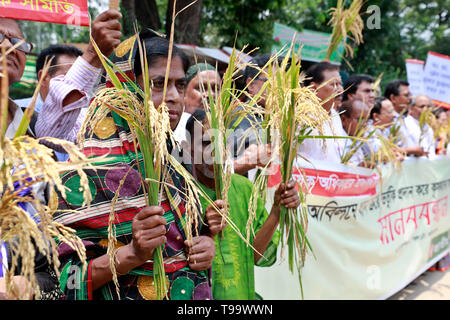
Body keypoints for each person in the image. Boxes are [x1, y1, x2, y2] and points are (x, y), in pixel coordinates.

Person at [54, 34, 217, 300]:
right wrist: (132, 254)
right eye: (158, 84)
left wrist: (206, 244)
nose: (174, 97)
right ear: (127, 88)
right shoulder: (85, 174)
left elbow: (190, 239)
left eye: (180, 84)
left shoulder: (176, 161)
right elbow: (61, 279)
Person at [186, 109, 301, 300]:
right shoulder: (180, 192)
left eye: (221, 142)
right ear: (187, 149)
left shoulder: (244, 188)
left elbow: (257, 256)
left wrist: (276, 212)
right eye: (206, 143)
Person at [0, 17, 63, 300]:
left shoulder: (38, 129)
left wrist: (28, 287)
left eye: (18, 42)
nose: (7, 46)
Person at [35, 10, 122, 154]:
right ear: (44, 77)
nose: (172, 96)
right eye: (69, 76)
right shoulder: (19, 113)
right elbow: (51, 138)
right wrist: (92, 57)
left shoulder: (88, 117)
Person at [298, 61, 347, 163]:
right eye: (334, 84)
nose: (340, 89)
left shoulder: (334, 115)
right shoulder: (301, 116)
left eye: (340, 84)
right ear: (313, 88)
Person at [15, 44, 83, 114]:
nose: (79, 86)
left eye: (81, 78)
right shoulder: (14, 113)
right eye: (70, 77)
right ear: (44, 77)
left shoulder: (85, 118)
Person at [173, 62, 220, 146]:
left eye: (216, 89)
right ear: (183, 92)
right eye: (201, 88)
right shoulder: (173, 128)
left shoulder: (227, 127)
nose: (210, 94)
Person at [338, 99, 371, 166]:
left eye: (367, 120)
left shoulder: (359, 141)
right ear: (343, 119)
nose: (364, 124)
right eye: (360, 120)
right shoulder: (338, 143)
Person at [403, 95, 436, 159]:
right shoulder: (405, 124)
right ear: (411, 108)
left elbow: (431, 152)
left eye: (428, 106)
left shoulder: (429, 128)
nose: (425, 109)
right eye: (422, 106)